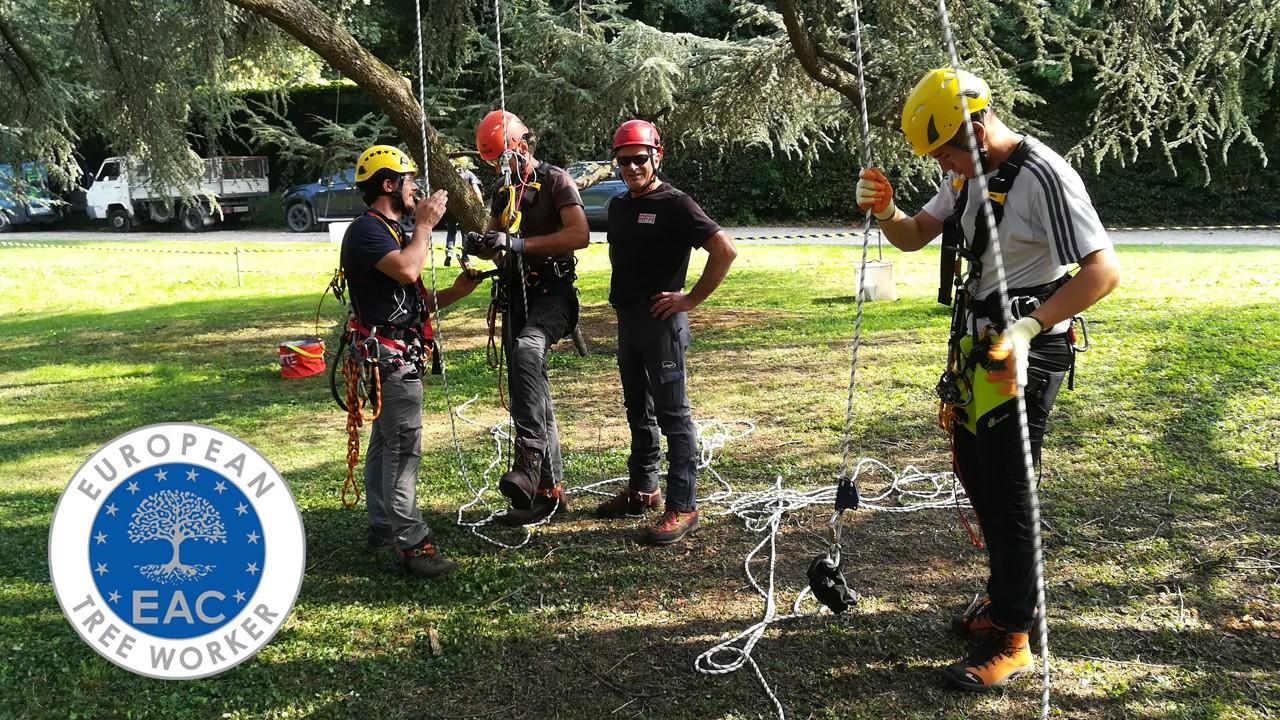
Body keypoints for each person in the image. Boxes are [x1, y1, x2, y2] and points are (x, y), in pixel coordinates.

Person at [856, 68, 1121, 690]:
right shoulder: (969, 173)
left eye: (945, 150)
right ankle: (1003, 594)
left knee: (1008, 487)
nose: (944, 164)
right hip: (980, 346)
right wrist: (889, 208)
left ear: (976, 127)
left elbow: (1104, 270)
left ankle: (1015, 632)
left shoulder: (1043, 175)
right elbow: (917, 235)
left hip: (1025, 351)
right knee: (977, 471)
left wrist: (1031, 328)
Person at [341, 144, 481, 577]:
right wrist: (423, 225)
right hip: (388, 359)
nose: (417, 189)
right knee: (402, 450)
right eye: (409, 182)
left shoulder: (390, 230)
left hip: (393, 352)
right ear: (389, 185)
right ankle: (412, 542)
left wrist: (457, 292)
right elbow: (407, 271)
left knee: (387, 443)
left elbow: (410, 300)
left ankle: (384, 524)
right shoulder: (367, 231)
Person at [595, 120, 737, 545]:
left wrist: (690, 300)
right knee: (638, 408)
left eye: (640, 158)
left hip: (663, 324)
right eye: (624, 160)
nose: (633, 167)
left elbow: (724, 250)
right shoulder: (619, 206)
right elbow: (619, 251)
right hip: (629, 320)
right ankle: (643, 489)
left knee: (674, 415)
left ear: (658, 155)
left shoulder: (677, 203)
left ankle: (683, 504)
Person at [472, 110, 590, 526]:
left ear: (522, 145)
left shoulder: (556, 181)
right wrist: (484, 244)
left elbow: (580, 235)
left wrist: (519, 244)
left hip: (553, 296)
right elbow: (497, 239)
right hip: (517, 298)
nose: (503, 168)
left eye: (505, 158)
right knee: (531, 393)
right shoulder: (504, 191)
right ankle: (547, 491)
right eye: (495, 163)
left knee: (526, 352)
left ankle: (528, 463)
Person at [444, 159, 484, 266]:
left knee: (451, 232)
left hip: (450, 208)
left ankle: (449, 252)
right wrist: (481, 204)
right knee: (464, 233)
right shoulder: (469, 174)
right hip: (464, 209)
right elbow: (476, 191)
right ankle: (465, 257)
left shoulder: (448, 175)